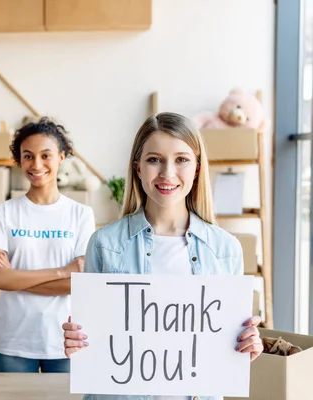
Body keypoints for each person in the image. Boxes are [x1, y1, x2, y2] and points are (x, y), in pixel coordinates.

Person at [62, 112, 263, 400]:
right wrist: (77, 342)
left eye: (181, 159)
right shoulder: (104, 244)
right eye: (154, 159)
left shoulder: (225, 249)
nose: (167, 173)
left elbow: (225, 346)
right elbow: (93, 343)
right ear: (138, 168)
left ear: (196, 168)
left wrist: (245, 347)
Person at [0, 117, 95, 373]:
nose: (37, 164)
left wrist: (14, 278)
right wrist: (62, 271)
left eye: (46, 155)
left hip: (66, 341)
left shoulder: (81, 214)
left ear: (61, 157)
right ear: (19, 160)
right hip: (15, 341)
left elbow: (79, 284)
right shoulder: (5, 212)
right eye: (28, 156)